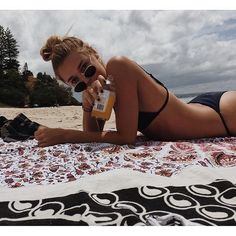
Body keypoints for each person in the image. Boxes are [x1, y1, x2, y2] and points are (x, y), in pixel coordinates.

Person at [35, 35, 236, 147]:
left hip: (223, 114)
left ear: (94, 55)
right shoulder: (105, 91)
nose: (87, 80)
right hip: (197, 108)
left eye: (87, 68)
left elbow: (126, 137)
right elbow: (93, 135)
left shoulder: (118, 66)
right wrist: (87, 108)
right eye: (77, 83)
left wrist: (65, 135)